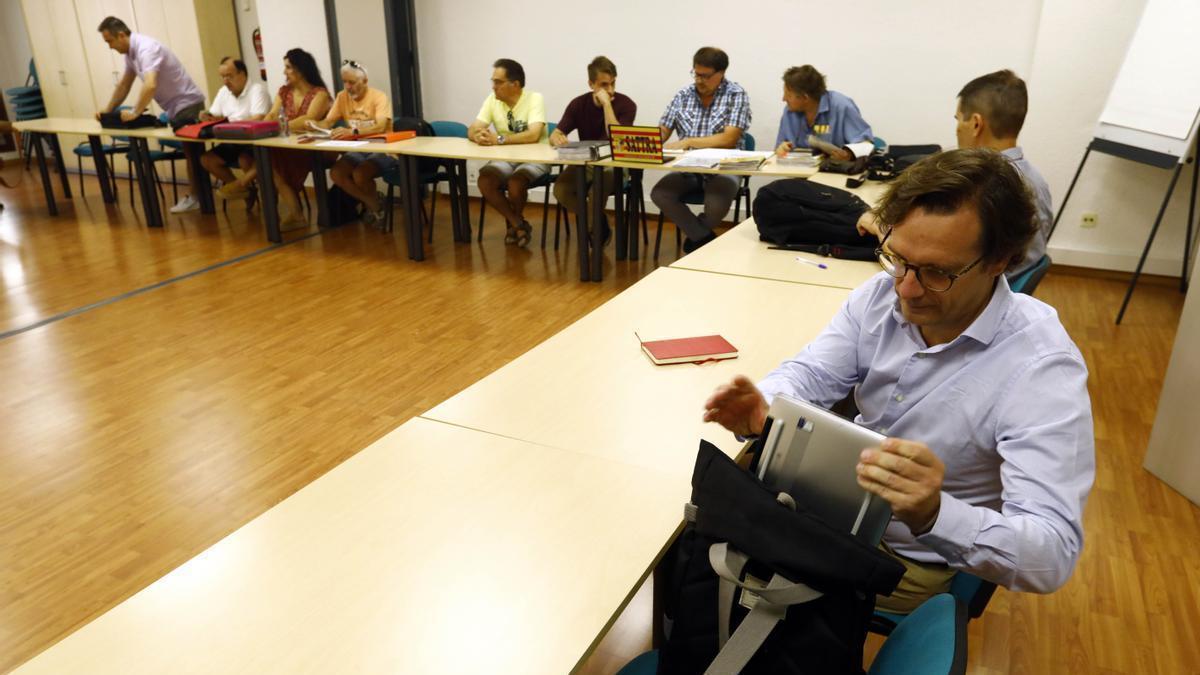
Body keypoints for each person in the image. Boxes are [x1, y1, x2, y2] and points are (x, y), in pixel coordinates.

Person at [703, 148, 1095, 614]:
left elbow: (1052, 554)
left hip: (904, 555)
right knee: (701, 541)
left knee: (719, 576)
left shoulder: (1041, 369)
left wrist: (935, 512)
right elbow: (814, 372)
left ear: (1000, 261)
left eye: (937, 273)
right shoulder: (879, 295)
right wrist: (768, 406)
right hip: (829, 509)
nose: (906, 288)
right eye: (897, 258)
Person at [95, 16, 207, 214]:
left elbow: (150, 84)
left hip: (187, 103)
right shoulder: (130, 54)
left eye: (109, 41)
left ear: (121, 35)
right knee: (192, 154)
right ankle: (200, 198)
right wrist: (108, 110)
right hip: (176, 107)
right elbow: (124, 84)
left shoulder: (147, 48)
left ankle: (198, 198)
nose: (109, 47)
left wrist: (135, 112)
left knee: (192, 154)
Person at [653, 47, 752, 252]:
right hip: (687, 168)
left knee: (716, 204)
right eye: (696, 74)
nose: (699, 80)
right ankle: (702, 238)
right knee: (660, 194)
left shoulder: (736, 94)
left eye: (705, 76)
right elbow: (663, 131)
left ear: (721, 73)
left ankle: (696, 236)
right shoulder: (683, 95)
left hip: (724, 167)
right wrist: (646, 139)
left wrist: (689, 142)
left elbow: (729, 139)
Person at [549, 56, 637, 243]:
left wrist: (607, 105)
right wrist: (557, 137)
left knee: (597, 187)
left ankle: (593, 231)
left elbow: (616, 138)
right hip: (588, 161)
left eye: (613, 83)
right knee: (561, 190)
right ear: (591, 84)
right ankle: (598, 219)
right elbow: (556, 133)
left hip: (616, 164)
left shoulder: (627, 105)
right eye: (604, 85)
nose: (610, 90)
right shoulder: (578, 104)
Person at [468, 58, 548, 247]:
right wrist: (478, 136)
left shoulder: (535, 99)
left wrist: (499, 139)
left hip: (535, 157)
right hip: (506, 157)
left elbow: (533, 135)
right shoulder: (492, 100)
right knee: (485, 181)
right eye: (493, 81)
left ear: (515, 84)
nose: (493, 86)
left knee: (515, 183)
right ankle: (518, 224)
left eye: (498, 82)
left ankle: (514, 226)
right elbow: (472, 128)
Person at [316, 60, 394, 227]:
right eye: (344, 82)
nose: (347, 87)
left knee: (360, 174)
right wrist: (313, 125)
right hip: (358, 147)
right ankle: (373, 203)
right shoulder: (341, 97)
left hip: (382, 147)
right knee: (336, 173)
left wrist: (353, 132)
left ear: (364, 81)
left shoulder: (379, 97)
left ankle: (373, 208)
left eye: (351, 82)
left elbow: (380, 126)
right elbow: (328, 122)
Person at [262, 49, 332, 229]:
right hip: (287, 145)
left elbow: (307, 121)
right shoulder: (284, 91)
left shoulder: (320, 94)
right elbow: (271, 115)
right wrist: (268, 125)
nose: (284, 72)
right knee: (266, 159)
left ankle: (242, 183)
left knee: (267, 162)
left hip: (312, 148)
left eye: (288, 67)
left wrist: (278, 126)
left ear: (300, 70)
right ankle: (296, 214)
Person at [198, 57, 271, 205]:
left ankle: (266, 199)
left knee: (245, 160)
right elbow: (214, 114)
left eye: (229, 76)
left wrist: (229, 124)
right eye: (223, 77)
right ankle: (245, 190)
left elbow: (258, 118)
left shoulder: (257, 90)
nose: (225, 81)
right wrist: (206, 116)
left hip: (255, 142)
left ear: (242, 74)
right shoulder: (224, 92)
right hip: (233, 140)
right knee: (207, 159)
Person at [774, 65, 873, 161]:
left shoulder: (842, 106)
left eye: (788, 95)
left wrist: (849, 154)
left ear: (805, 98)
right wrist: (781, 150)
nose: (783, 99)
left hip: (834, 169)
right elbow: (779, 148)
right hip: (799, 169)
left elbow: (865, 144)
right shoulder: (790, 111)